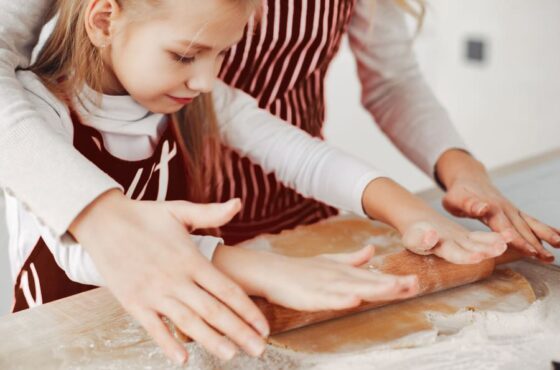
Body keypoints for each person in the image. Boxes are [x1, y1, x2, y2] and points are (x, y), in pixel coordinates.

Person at [0, 0, 558, 364]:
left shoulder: (193, 94)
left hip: (181, 334)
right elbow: (81, 253)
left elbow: (301, 155)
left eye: (225, 53)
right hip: (73, 340)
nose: (208, 78)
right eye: (188, 54)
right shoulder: (37, 114)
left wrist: (410, 211)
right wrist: (255, 267)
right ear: (104, 19)